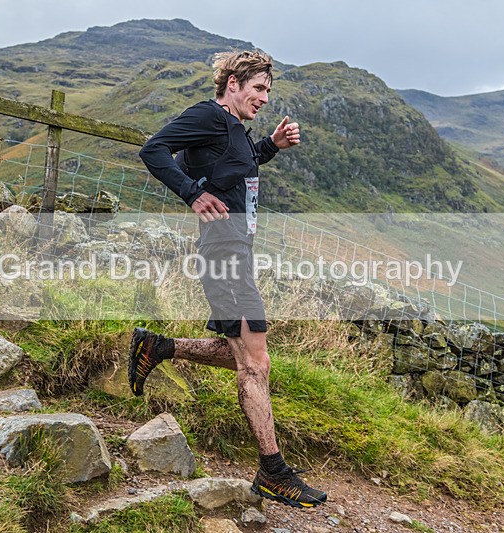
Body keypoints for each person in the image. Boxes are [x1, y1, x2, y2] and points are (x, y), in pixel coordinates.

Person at [132, 50, 327, 509]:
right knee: (255, 363)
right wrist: (192, 193)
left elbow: (229, 171)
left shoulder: (233, 129)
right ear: (233, 83)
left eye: (267, 91)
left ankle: (157, 347)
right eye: (258, 88)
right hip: (224, 252)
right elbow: (153, 149)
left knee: (240, 352)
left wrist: (271, 147)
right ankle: (273, 472)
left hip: (235, 251)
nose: (263, 98)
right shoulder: (209, 115)